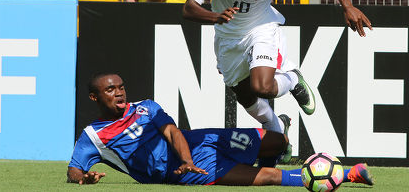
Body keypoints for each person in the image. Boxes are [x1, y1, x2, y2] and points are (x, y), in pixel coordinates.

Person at [182, 0, 372, 162]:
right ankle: (278, 128)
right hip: (228, 39)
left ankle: (292, 79)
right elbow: (188, 8)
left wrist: (347, 6)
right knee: (245, 96)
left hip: (261, 29)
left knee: (261, 87)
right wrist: (216, 17)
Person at [67, 73, 374, 186]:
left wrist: (187, 155)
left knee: (278, 142)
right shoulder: (93, 136)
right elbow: (74, 171)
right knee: (268, 177)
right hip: (185, 170)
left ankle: (264, 155)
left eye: (121, 86)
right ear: (95, 97)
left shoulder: (146, 106)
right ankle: (349, 174)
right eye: (110, 90)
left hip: (199, 141)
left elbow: (173, 132)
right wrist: (84, 179)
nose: (119, 92)